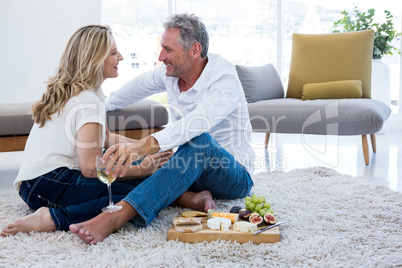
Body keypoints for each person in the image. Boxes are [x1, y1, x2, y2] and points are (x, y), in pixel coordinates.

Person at [69, 13, 255, 245]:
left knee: (200, 142)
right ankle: (191, 198)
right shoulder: (171, 73)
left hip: (231, 173)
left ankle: (118, 215)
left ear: (194, 50)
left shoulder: (224, 79)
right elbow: (130, 91)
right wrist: (94, 109)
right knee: (122, 164)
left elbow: (198, 123)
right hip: (188, 168)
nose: (160, 56)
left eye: (167, 49)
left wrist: (141, 147)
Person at [0, 25, 171, 237]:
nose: (121, 57)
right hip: (48, 184)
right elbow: (91, 168)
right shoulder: (87, 101)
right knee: (138, 192)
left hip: (36, 184)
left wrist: (143, 149)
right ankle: (52, 218)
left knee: (140, 180)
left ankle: (56, 213)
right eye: (113, 52)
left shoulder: (87, 91)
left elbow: (105, 137)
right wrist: (142, 169)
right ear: (95, 60)